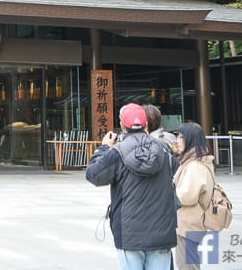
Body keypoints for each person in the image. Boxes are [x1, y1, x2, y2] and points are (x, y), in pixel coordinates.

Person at [86, 103, 178, 270]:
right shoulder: (164, 149)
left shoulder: (117, 152)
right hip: (162, 232)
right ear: (146, 125)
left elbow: (93, 174)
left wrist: (104, 147)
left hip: (129, 234)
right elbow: (175, 168)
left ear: (122, 125)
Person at [173, 122, 216, 270]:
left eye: (180, 137)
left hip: (189, 223)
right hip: (194, 222)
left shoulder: (194, 165)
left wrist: (169, 192)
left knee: (187, 265)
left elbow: (186, 196)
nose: (177, 140)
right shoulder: (198, 160)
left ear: (190, 139)